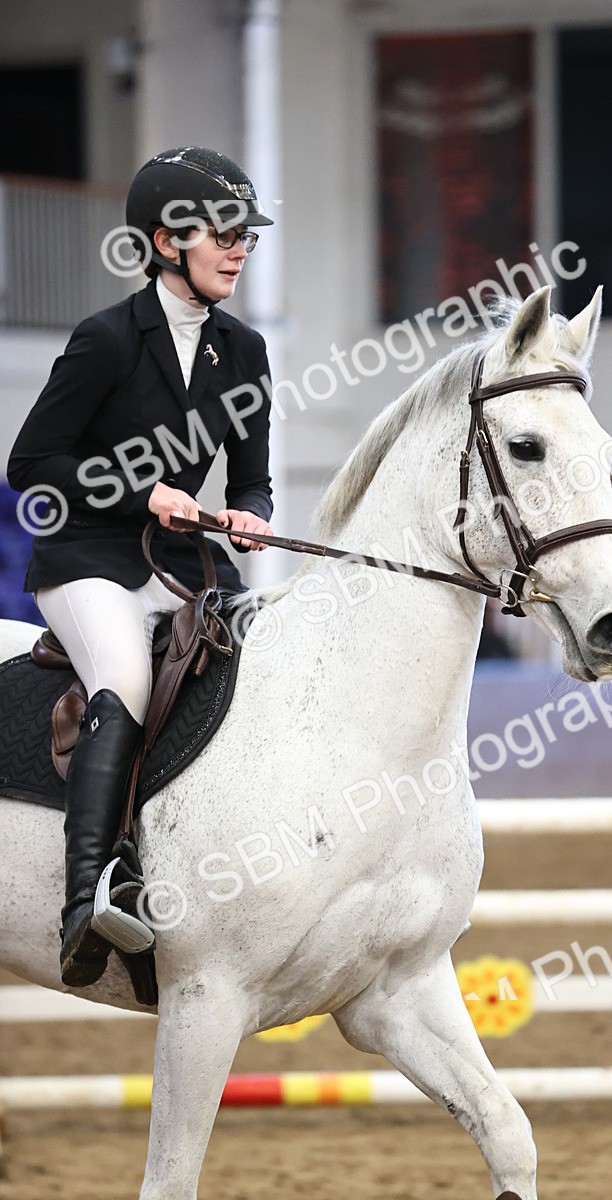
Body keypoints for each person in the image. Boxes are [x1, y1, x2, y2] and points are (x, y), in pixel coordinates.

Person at [6, 147, 275, 988]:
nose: (238, 249)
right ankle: (85, 902)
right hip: (87, 556)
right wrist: (143, 488)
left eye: (246, 237)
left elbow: (254, 471)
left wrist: (251, 513)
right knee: (123, 672)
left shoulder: (246, 349)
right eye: (224, 233)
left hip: (179, 562)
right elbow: (30, 462)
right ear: (167, 240)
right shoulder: (107, 340)